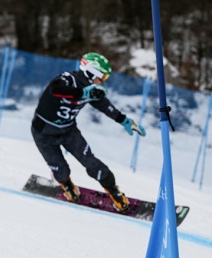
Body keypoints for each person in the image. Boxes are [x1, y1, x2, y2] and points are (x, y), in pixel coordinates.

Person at [30, 52, 147, 211]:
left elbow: (106, 107)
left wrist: (124, 120)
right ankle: (66, 184)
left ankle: (114, 191)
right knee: (61, 171)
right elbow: (55, 89)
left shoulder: (92, 90)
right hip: (44, 133)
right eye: (103, 77)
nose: (103, 81)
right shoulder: (67, 79)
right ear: (91, 72)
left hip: (68, 131)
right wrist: (83, 93)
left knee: (92, 163)